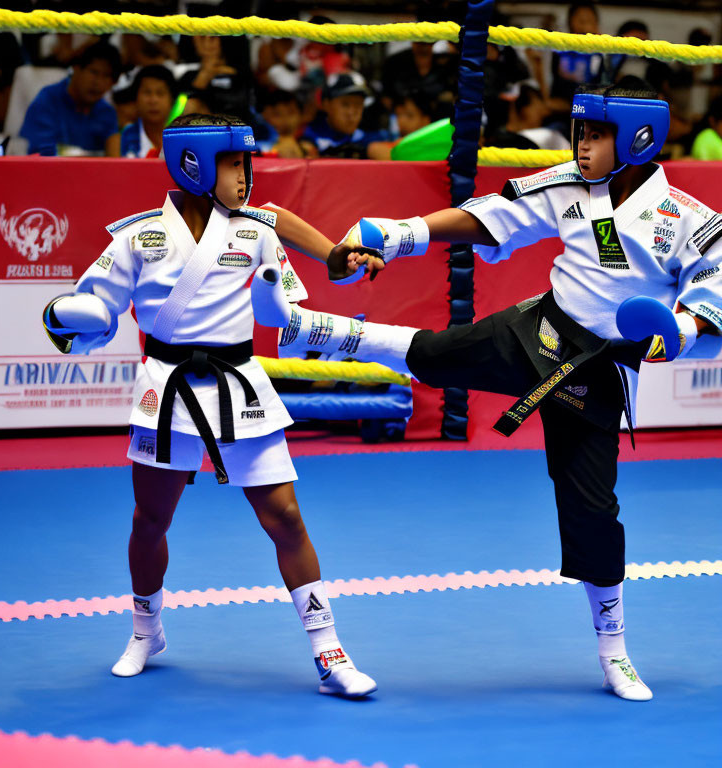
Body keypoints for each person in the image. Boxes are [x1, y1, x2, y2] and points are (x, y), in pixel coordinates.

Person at [253, 84, 722, 701]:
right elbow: (489, 218)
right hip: (541, 329)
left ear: (637, 140)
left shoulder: (689, 221)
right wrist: (401, 233)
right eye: (578, 131)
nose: (581, 144)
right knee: (438, 357)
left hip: (600, 375)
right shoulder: (566, 185)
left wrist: (677, 333)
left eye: (596, 134)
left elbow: (713, 308)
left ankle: (615, 650)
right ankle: (314, 327)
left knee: (593, 514)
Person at [41, 113, 378, 698]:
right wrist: (69, 317)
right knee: (150, 520)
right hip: (166, 387)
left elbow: (285, 309)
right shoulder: (136, 237)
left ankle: (328, 650)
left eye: (247, 162)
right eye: (232, 163)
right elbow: (89, 314)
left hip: (240, 385)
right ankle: (147, 628)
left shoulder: (257, 231)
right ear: (193, 164)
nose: (245, 175)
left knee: (287, 519)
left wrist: (332, 268)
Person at [20, 41, 121, 156]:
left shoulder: (107, 113)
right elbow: (39, 153)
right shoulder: (47, 100)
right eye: (94, 72)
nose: (98, 82)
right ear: (76, 68)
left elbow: (114, 159)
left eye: (106, 76)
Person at [303, 72, 387, 158]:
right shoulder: (309, 136)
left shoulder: (369, 138)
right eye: (345, 104)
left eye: (358, 104)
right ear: (326, 104)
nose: (351, 112)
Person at [120, 65, 178, 158]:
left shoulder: (181, 140)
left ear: (172, 100)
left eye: (160, 93)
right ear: (136, 98)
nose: (153, 100)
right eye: (147, 92)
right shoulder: (122, 138)